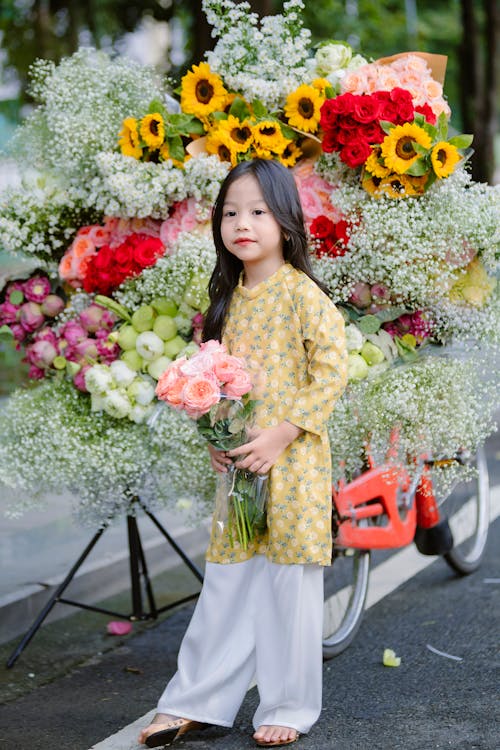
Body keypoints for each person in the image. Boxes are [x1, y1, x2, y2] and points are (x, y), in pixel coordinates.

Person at [139, 158, 347, 748]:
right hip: (241, 466)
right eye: (231, 212)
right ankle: (193, 700)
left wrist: (284, 432)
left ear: (285, 220)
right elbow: (221, 380)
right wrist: (218, 439)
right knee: (227, 582)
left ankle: (288, 705)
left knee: (289, 587)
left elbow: (332, 371)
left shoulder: (301, 292)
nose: (243, 224)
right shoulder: (229, 298)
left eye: (258, 211)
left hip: (295, 463)